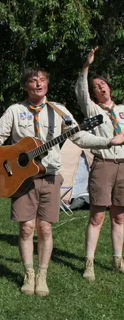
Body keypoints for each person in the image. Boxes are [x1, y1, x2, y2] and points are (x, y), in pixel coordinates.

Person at [0, 67, 124, 297]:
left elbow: (79, 136)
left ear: (47, 84)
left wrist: (108, 141)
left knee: (45, 228)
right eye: (33, 81)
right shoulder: (15, 110)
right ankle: (28, 273)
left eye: (42, 80)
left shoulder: (60, 111)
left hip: (50, 176)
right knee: (26, 228)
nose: (38, 84)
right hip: (22, 179)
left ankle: (42, 274)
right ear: (26, 86)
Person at [75, 47, 124, 281]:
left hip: (123, 166)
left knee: (120, 217)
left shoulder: (123, 110)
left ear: (109, 87)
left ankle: (117, 260)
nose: (100, 87)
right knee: (97, 216)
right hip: (103, 164)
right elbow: (81, 92)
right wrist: (86, 67)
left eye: (102, 84)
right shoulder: (93, 110)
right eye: (96, 86)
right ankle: (89, 263)